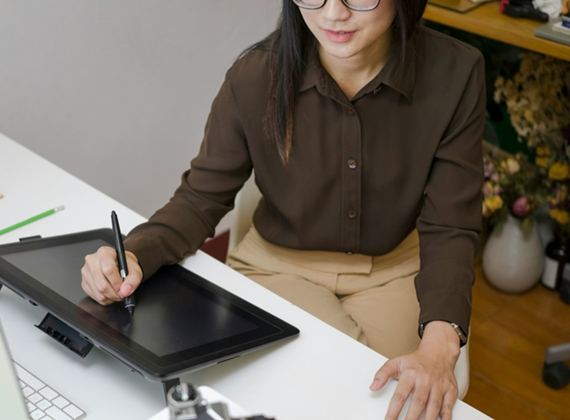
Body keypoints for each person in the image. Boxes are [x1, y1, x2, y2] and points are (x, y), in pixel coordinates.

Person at [80, 0, 484, 419]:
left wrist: (440, 345)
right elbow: (200, 198)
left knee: (385, 404)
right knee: (307, 394)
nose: (333, 14)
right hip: (278, 268)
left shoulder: (456, 71)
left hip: (396, 270)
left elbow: (451, 223)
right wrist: (132, 254)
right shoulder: (254, 76)